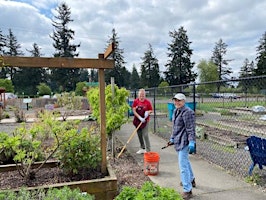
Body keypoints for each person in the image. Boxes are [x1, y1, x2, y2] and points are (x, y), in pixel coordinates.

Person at [168, 93, 196, 200]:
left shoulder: (188, 113)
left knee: (182, 165)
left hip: (185, 142)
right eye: (175, 100)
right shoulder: (176, 111)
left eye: (179, 100)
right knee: (185, 162)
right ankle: (191, 179)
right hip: (178, 140)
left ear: (184, 101)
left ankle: (187, 190)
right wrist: (172, 138)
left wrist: (192, 142)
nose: (177, 102)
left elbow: (190, 129)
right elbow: (175, 127)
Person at [132, 88, 153, 154]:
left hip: (145, 121)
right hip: (137, 121)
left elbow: (151, 110)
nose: (141, 96)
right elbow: (134, 110)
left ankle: (148, 150)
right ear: (138, 95)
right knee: (139, 134)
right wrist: (140, 117)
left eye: (143, 95)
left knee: (145, 134)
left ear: (145, 95)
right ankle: (142, 148)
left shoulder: (147, 102)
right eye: (140, 95)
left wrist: (147, 113)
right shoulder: (136, 101)